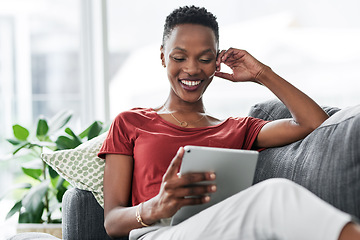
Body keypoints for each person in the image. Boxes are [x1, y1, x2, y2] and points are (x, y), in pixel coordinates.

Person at [98, 5, 360, 240]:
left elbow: (316, 124)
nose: (192, 69)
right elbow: (112, 222)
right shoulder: (130, 122)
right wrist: (157, 205)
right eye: (179, 57)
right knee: (274, 195)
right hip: (155, 233)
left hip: (227, 229)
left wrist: (261, 73)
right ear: (163, 56)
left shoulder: (237, 128)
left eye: (204, 58)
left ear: (216, 62)